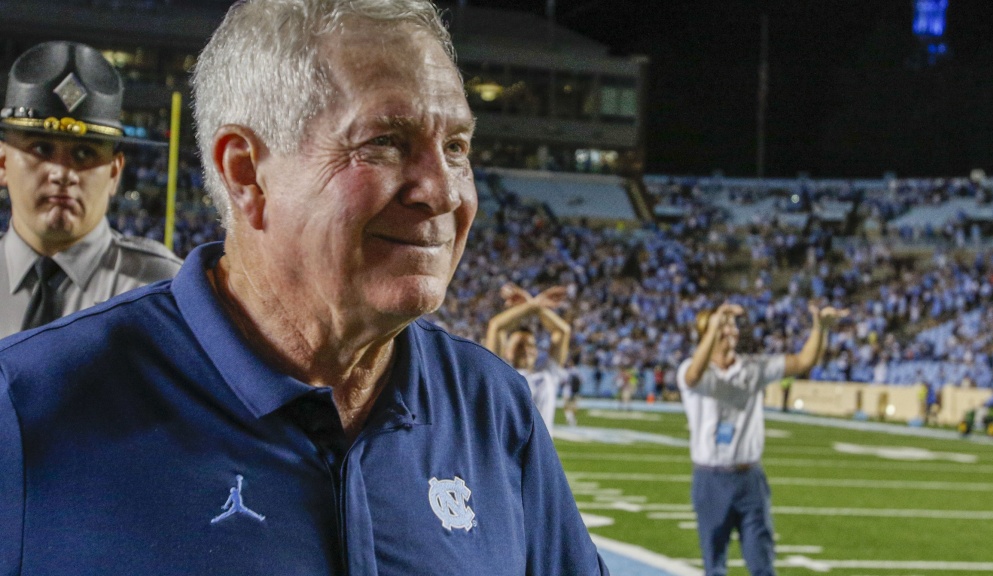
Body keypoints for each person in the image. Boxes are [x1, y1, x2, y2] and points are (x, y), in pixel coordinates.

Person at [0, 2, 607, 574]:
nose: (444, 192)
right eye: (386, 143)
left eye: (455, 147)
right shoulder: (30, 407)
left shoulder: (490, 406)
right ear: (246, 173)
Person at [0, 41, 182, 338]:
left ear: (114, 173)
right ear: (3, 162)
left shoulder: (162, 290)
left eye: (84, 153)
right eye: (41, 148)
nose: (63, 173)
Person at [678, 301, 846, 576]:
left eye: (731, 326)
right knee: (715, 566)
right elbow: (694, 376)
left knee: (762, 564)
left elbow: (804, 361)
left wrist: (820, 328)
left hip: (749, 478)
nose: (729, 331)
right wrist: (714, 325)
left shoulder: (752, 368)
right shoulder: (690, 368)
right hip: (710, 477)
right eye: (723, 326)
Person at [485, 282, 571, 434]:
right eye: (519, 345)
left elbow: (563, 330)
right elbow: (496, 326)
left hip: (540, 457)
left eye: (531, 345)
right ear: (507, 352)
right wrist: (534, 304)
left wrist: (533, 305)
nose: (526, 350)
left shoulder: (547, 375)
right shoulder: (498, 373)